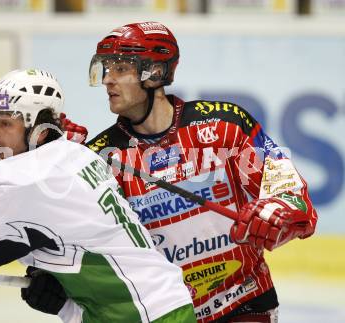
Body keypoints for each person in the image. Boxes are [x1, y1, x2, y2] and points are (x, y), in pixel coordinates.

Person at [22, 22, 318, 322]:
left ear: (156, 73)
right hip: (167, 314)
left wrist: (281, 210)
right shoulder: (100, 158)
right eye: (105, 69)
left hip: (244, 302)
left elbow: (290, 192)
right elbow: (71, 239)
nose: (108, 80)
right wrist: (56, 165)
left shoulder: (225, 125)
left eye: (121, 69)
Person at [0, 68, 196, 323]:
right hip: (154, 307)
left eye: (5, 123)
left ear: (40, 131)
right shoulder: (77, 155)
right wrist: (64, 300)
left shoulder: (29, 179)